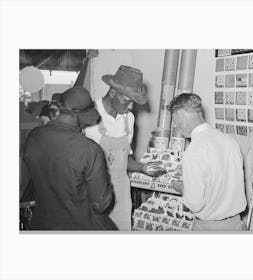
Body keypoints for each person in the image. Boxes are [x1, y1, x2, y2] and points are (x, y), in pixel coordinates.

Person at [23, 86, 116, 230]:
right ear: (81, 118)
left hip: (41, 224)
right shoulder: (89, 149)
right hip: (77, 227)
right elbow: (100, 205)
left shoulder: (33, 137)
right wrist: (108, 184)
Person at [85, 65, 162, 230]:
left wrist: (143, 168)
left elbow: (124, 160)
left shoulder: (129, 119)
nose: (131, 107)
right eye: (128, 101)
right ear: (113, 93)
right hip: (93, 196)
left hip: (121, 194)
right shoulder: (88, 116)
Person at [169, 93, 247, 231]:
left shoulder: (194, 150)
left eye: (175, 120)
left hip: (209, 227)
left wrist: (181, 186)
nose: (176, 125)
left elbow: (194, 204)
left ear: (182, 115)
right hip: (235, 224)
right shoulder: (229, 141)